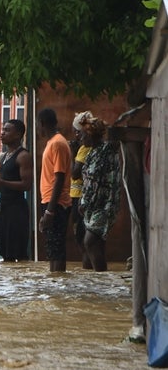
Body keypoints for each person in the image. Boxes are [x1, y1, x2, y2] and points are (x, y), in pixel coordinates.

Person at [77, 114, 121, 272]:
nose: (79, 137)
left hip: (104, 204)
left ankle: (101, 277)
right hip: (92, 206)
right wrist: (83, 201)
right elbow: (87, 181)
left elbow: (95, 183)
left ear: (89, 134)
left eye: (81, 134)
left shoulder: (105, 152)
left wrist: (84, 202)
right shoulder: (92, 153)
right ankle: (98, 284)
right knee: (96, 243)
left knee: (90, 241)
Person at [0, 119, 34, 262]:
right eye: (2, 130)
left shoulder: (23, 156)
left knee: (19, 254)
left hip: (17, 210)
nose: (2, 133)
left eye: (7, 130)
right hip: (4, 209)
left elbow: (26, 185)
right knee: (6, 255)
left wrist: (1, 182)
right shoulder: (4, 157)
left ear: (18, 135)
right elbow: (4, 186)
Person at [36, 108, 72, 273]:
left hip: (56, 203)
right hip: (51, 202)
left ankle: (58, 285)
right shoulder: (53, 143)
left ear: (42, 123)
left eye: (37, 124)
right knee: (52, 249)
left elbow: (59, 177)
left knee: (56, 250)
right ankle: (55, 286)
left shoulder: (57, 143)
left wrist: (50, 212)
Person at [69, 111, 93, 269]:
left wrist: (72, 153)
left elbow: (75, 173)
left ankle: (88, 268)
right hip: (81, 197)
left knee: (82, 238)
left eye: (77, 132)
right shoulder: (84, 147)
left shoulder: (84, 149)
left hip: (81, 198)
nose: (76, 135)